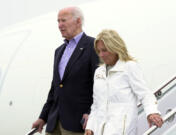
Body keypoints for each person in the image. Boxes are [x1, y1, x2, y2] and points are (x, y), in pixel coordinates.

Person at [32, 7, 99, 135]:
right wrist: (43, 117)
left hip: (79, 123)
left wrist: (92, 114)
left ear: (78, 21)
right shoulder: (59, 51)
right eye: (58, 21)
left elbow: (100, 86)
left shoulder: (93, 46)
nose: (59, 25)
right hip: (54, 122)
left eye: (63, 20)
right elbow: (55, 88)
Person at [84, 29, 163, 135]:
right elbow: (96, 105)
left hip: (123, 131)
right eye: (98, 51)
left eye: (104, 50)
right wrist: (90, 127)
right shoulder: (99, 72)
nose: (101, 55)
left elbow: (145, 94)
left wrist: (152, 112)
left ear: (115, 48)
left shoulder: (129, 67)